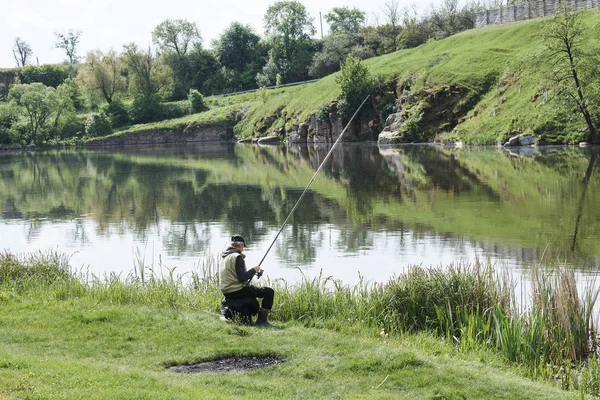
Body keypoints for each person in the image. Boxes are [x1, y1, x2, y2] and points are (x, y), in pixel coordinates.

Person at [219, 235, 274, 325]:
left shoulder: (225, 257)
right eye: (243, 246)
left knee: (251, 295)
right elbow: (242, 278)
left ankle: (246, 317)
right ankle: (262, 320)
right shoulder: (237, 257)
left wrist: (252, 273)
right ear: (240, 245)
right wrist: (254, 270)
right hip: (237, 290)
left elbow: (236, 275)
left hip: (226, 291)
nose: (243, 248)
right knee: (269, 292)